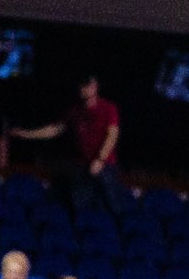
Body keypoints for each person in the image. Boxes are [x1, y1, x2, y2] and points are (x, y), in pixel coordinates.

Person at [8, 74, 120, 214]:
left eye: (88, 85)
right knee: (80, 204)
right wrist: (26, 134)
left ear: (96, 87)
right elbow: (54, 129)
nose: (84, 89)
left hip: (105, 165)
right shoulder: (75, 111)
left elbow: (112, 135)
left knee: (112, 204)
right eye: (82, 86)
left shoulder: (108, 108)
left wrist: (100, 159)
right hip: (83, 165)